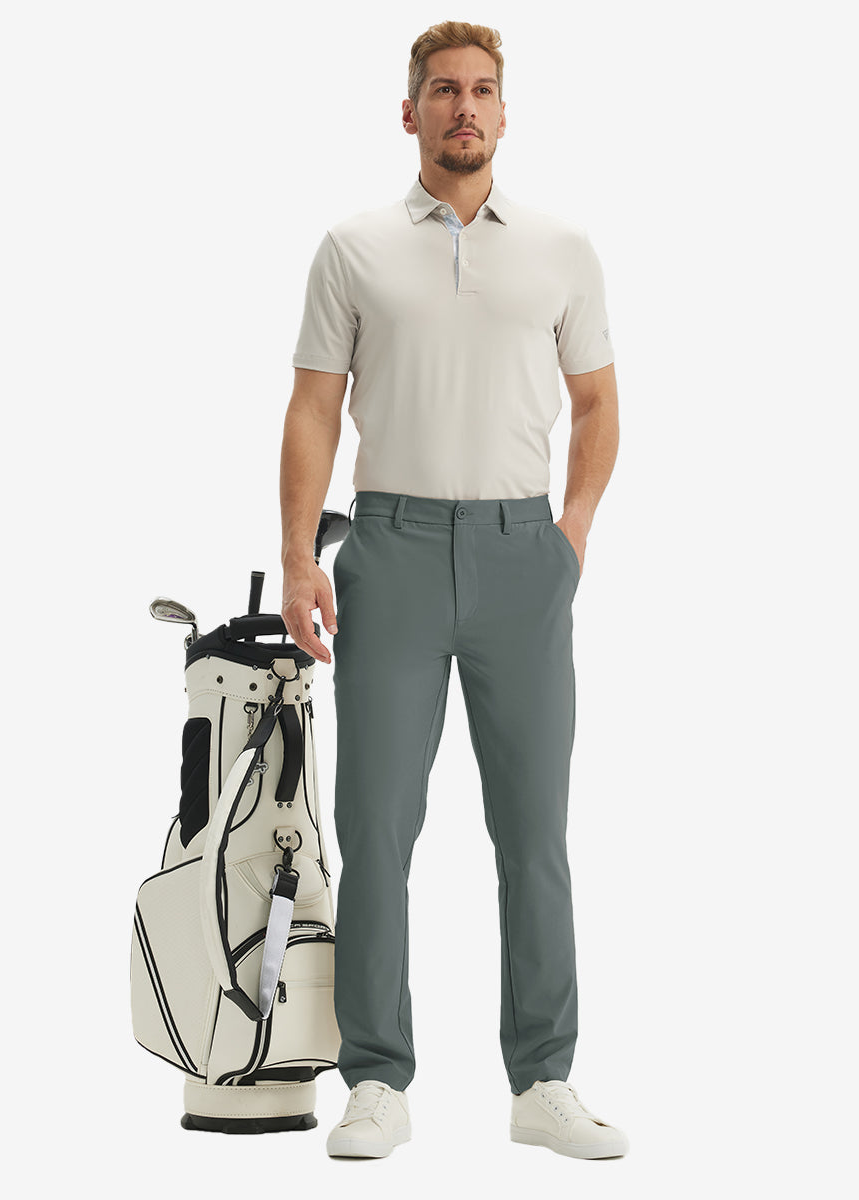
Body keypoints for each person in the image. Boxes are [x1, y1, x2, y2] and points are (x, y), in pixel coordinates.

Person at [280, 20, 628, 1161]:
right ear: (410, 111)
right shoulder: (354, 247)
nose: (463, 107)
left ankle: (543, 1080)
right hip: (389, 549)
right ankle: (376, 1079)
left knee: (534, 832)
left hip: (525, 554)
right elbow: (314, 407)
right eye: (442, 90)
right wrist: (298, 559)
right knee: (376, 827)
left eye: (481, 90)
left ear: (505, 113)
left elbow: (598, 403)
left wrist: (569, 536)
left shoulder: (562, 249)